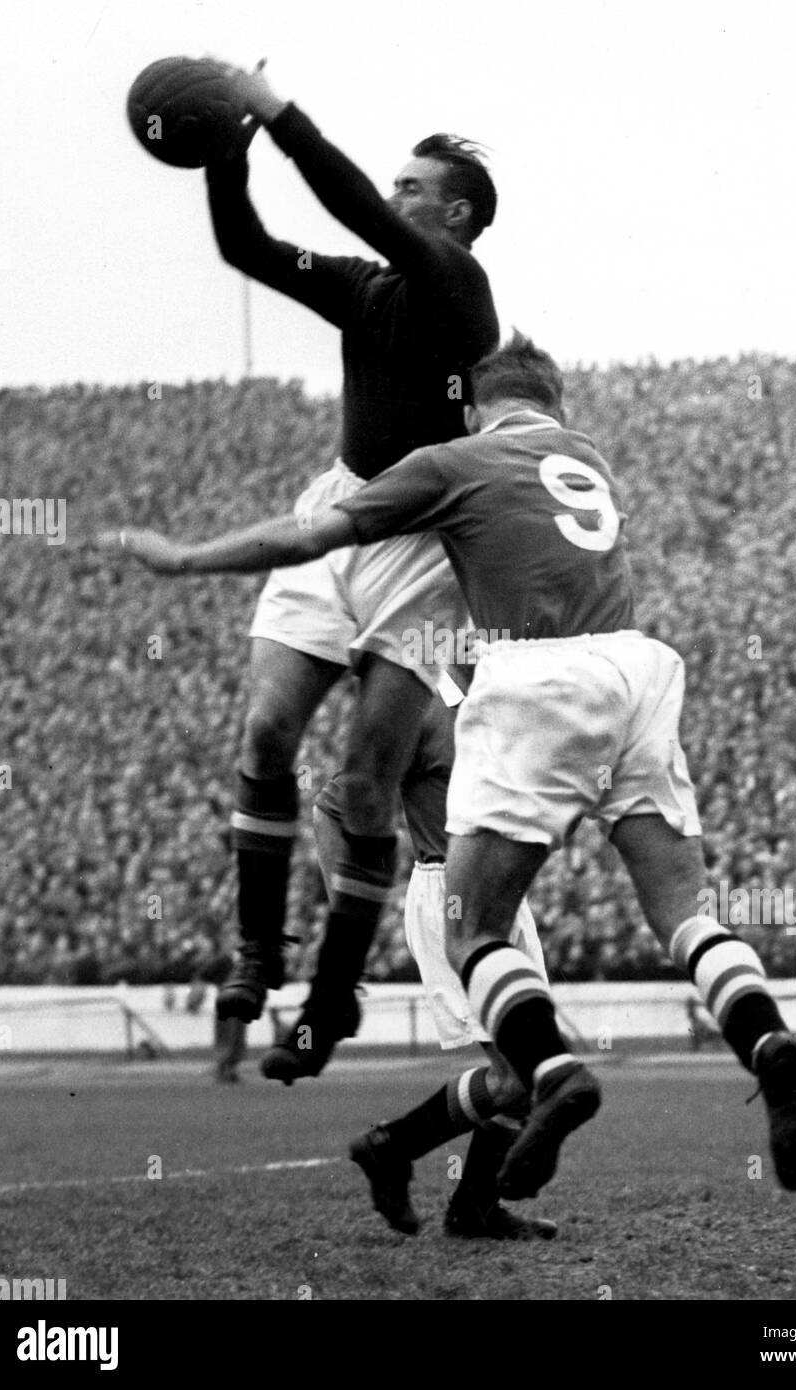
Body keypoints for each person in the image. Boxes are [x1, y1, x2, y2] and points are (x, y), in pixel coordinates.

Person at [98, 332, 796, 1200]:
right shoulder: (586, 457)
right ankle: (769, 1043)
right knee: (684, 916)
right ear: (554, 402)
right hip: (639, 669)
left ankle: (556, 1073)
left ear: (476, 405)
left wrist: (183, 559)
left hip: (539, 674)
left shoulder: (455, 459)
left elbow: (308, 538)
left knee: (474, 928)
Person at [194, 62, 500, 1080]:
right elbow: (244, 246)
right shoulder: (366, 289)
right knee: (268, 730)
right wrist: (224, 153)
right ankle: (254, 958)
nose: (398, 193)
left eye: (416, 188)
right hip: (338, 508)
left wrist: (281, 118)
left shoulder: (462, 291)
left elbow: (359, 207)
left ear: (456, 215)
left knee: (367, 783)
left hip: (421, 543)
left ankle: (329, 1004)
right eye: (398, 183)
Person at [315, 699, 557, 1240]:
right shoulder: (422, 711)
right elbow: (331, 809)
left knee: (534, 1074)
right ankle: (396, 1151)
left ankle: (468, 1204)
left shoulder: (508, 701)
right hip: (453, 898)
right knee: (519, 1074)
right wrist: (347, 921)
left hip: (506, 896)